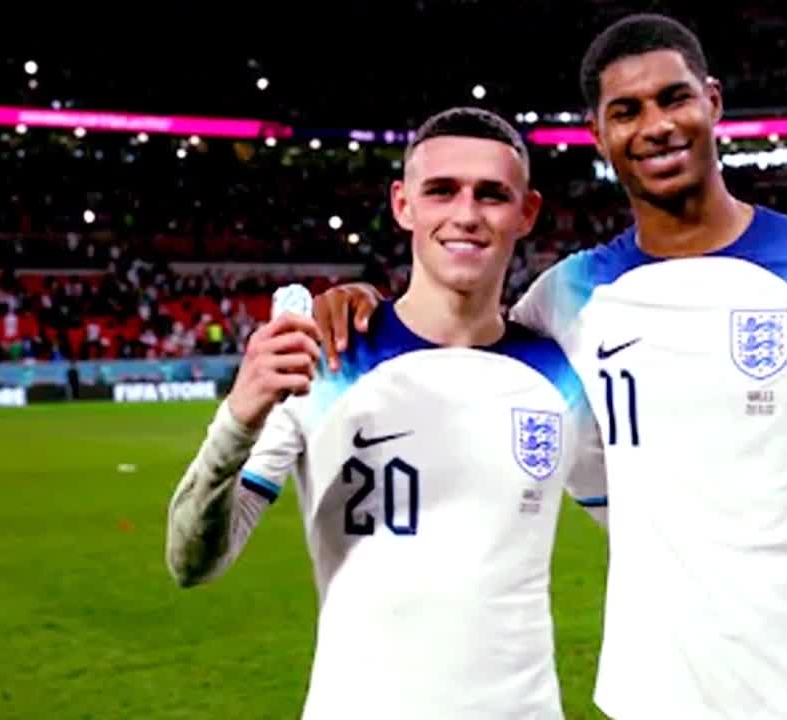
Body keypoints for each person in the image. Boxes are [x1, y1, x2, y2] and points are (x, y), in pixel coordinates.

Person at [312, 14, 787, 720]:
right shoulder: (563, 301)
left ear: (712, 102)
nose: (656, 125)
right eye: (626, 111)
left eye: (674, 98)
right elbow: (456, 330)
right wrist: (365, 305)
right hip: (651, 697)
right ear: (598, 135)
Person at [165, 107, 606, 720]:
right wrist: (238, 418)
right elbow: (192, 562)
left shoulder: (561, 376)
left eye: (492, 195)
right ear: (403, 204)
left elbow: (651, 535)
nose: (466, 214)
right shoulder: (323, 357)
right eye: (441, 190)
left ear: (526, 213)